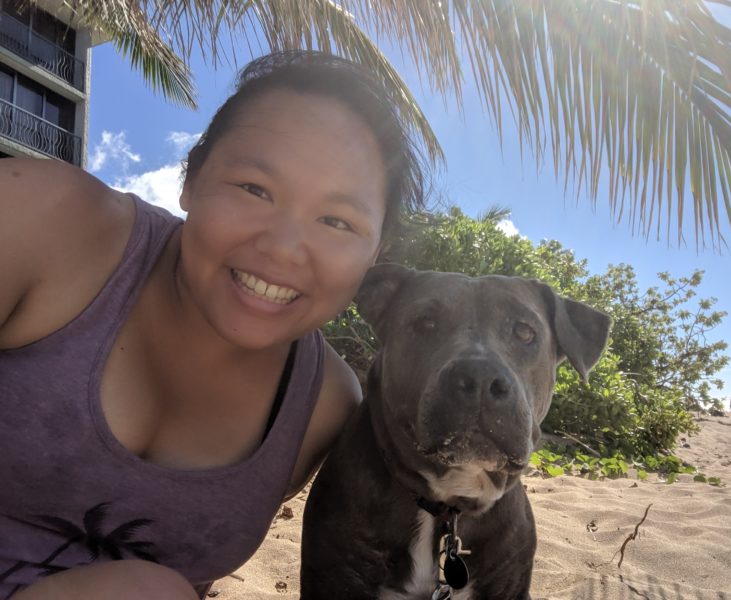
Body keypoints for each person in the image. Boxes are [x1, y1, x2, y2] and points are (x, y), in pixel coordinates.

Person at [0, 51, 425, 599]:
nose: (282, 248)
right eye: (254, 188)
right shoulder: (45, 220)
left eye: (337, 221)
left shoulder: (323, 406)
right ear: (192, 176)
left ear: (375, 253)